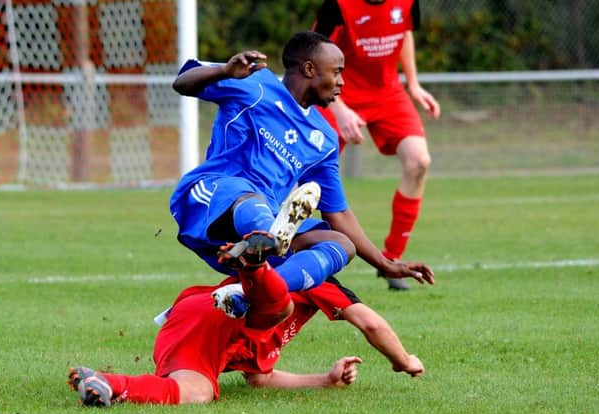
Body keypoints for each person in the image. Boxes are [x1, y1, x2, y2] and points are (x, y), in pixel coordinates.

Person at [169, 31, 432, 295]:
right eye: (337, 72)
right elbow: (182, 83)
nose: (341, 83)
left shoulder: (324, 139)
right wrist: (224, 71)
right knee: (249, 198)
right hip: (212, 197)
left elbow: (338, 213)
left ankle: (255, 293)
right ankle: (268, 235)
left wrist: (386, 264)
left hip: (257, 234)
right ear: (309, 69)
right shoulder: (254, 83)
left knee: (340, 245)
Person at [68, 230, 432, 407]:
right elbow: (371, 323)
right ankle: (112, 383)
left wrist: (325, 379)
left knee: (190, 385)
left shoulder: (293, 283)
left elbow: (259, 379)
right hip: (214, 322)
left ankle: (105, 383)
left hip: (190, 312)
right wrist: (405, 361)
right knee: (197, 393)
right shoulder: (315, 278)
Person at [313, 0, 441, 290]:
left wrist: (414, 83)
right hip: (337, 91)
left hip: (387, 91)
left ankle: (393, 260)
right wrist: (339, 109)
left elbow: (404, 32)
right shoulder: (338, 6)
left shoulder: (408, 2)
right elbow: (312, 58)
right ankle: (300, 257)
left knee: (419, 161)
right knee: (313, 174)